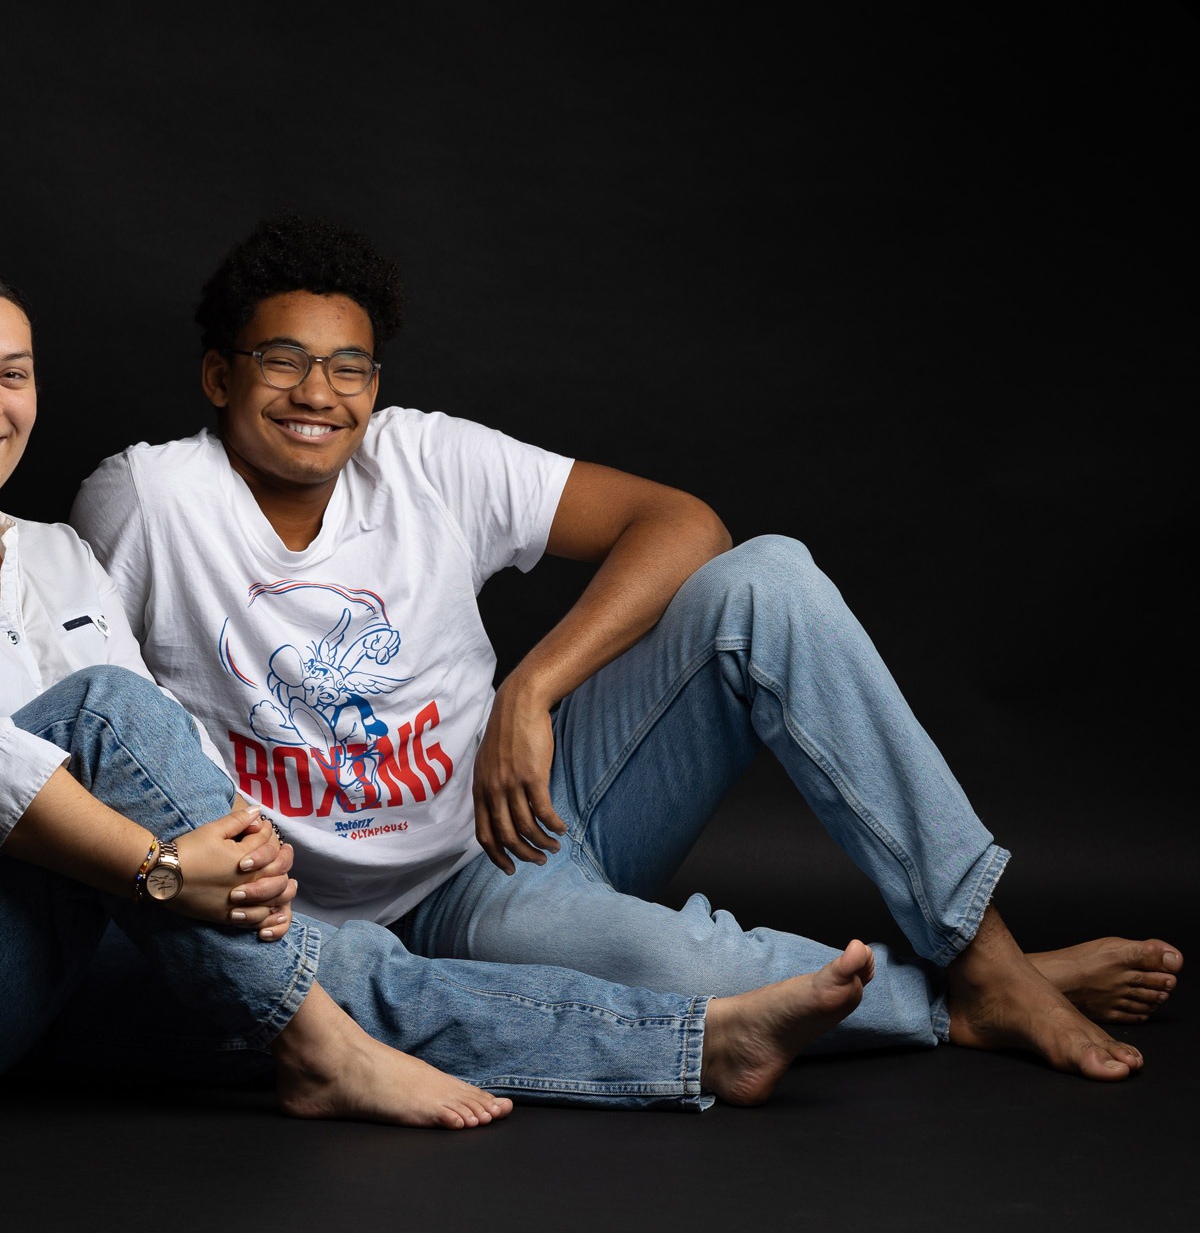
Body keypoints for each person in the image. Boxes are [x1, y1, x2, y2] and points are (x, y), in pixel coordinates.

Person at [0, 256, 884, 1128]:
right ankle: (316, 1036)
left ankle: (690, 1049)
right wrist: (176, 869)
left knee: (328, 966)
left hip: (45, 937)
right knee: (109, 724)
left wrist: (222, 872)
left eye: (11, 374)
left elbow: (155, 770)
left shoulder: (50, 555)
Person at [68, 210, 1181, 1084]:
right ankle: (973, 996)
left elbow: (684, 523)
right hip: (315, 917)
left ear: (376, 383)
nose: (318, 394)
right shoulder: (149, 499)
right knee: (681, 971)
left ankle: (980, 945)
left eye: (349, 366)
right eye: (281, 360)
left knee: (767, 577)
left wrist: (531, 689)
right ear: (219, 376)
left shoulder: (423, 459)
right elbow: (91, 708)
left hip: (496, 845)